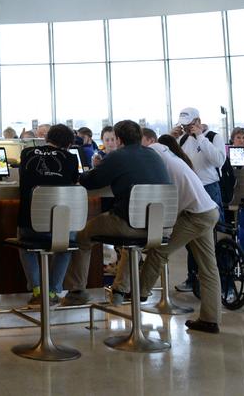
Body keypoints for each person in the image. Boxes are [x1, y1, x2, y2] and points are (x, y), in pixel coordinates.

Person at [62, 120, 170, 307]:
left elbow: (91, 182)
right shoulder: (153, 155)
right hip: (159, 225)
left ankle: (77, 290)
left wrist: (91, 170)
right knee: (130, 245)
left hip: (128, 224)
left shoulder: (117, 156)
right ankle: (120, 291)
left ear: (119, 139)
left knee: (82, 236)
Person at [139, 131, 222, 334]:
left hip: (195, 215)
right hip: (209, 211)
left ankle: (138, 294)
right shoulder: (171, 155)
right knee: (209, 268)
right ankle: (210, 320)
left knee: (160, 251)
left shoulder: (154, 152)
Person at [17, 123, 80, 307]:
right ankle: (52, 290)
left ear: (46, 139)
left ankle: (37, 290)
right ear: (68, 144)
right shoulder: (70, 158)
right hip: (59, 229)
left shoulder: (26, 153)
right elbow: (74, 184)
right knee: (67, 243)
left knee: (23, 241)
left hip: (30, 226)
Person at [171, 108, 226, 293]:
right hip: (191, 190)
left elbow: (219, 161)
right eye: (184, 126)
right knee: (190, 235)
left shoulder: (213, 137)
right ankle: (192, 277)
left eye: (190, 125)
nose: (187, 129)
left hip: (210, 188)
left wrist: (201, 137)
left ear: (198, 121)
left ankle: (223, 279)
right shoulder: (183, 139)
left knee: (215, 235)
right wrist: (172, 138)